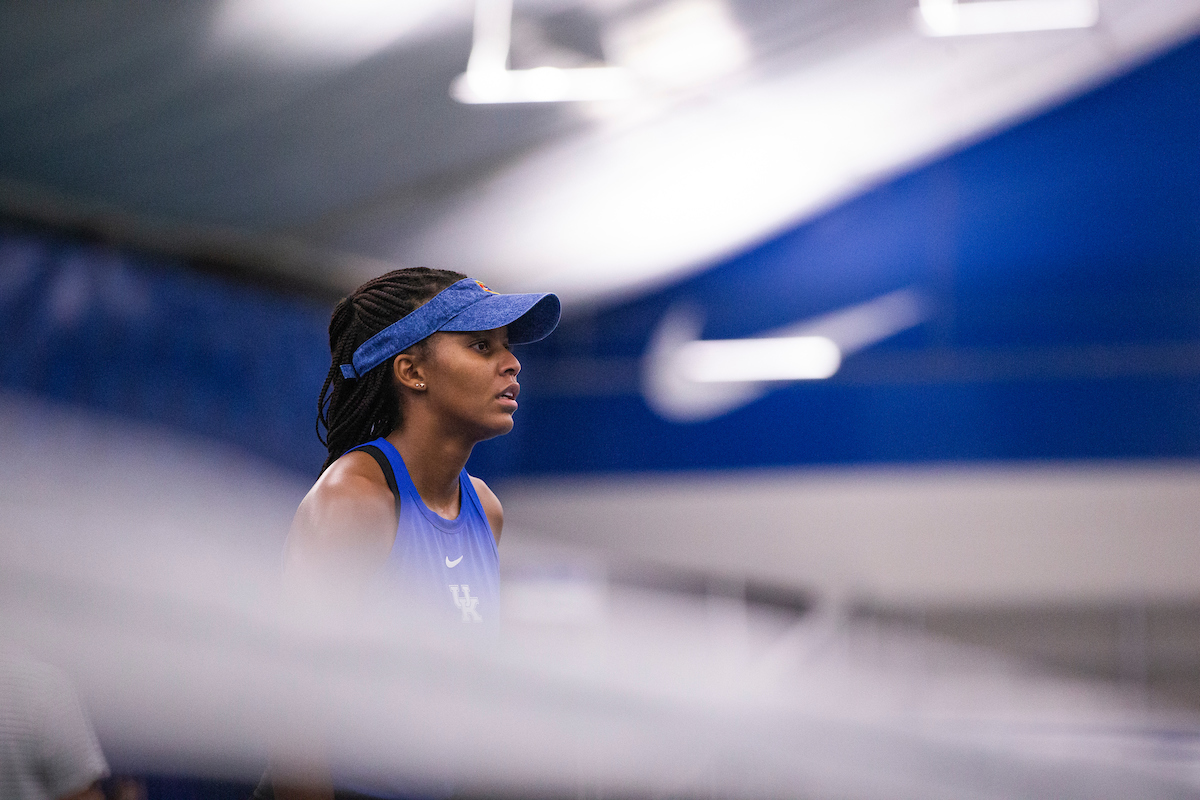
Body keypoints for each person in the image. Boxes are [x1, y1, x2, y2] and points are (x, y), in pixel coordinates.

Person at [266, 268, 560, 799]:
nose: (512, 363)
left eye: (507, 347)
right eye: (480, 346)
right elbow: (294, 729)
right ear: (411, 371)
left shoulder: (485, 510)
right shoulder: (351, 503)